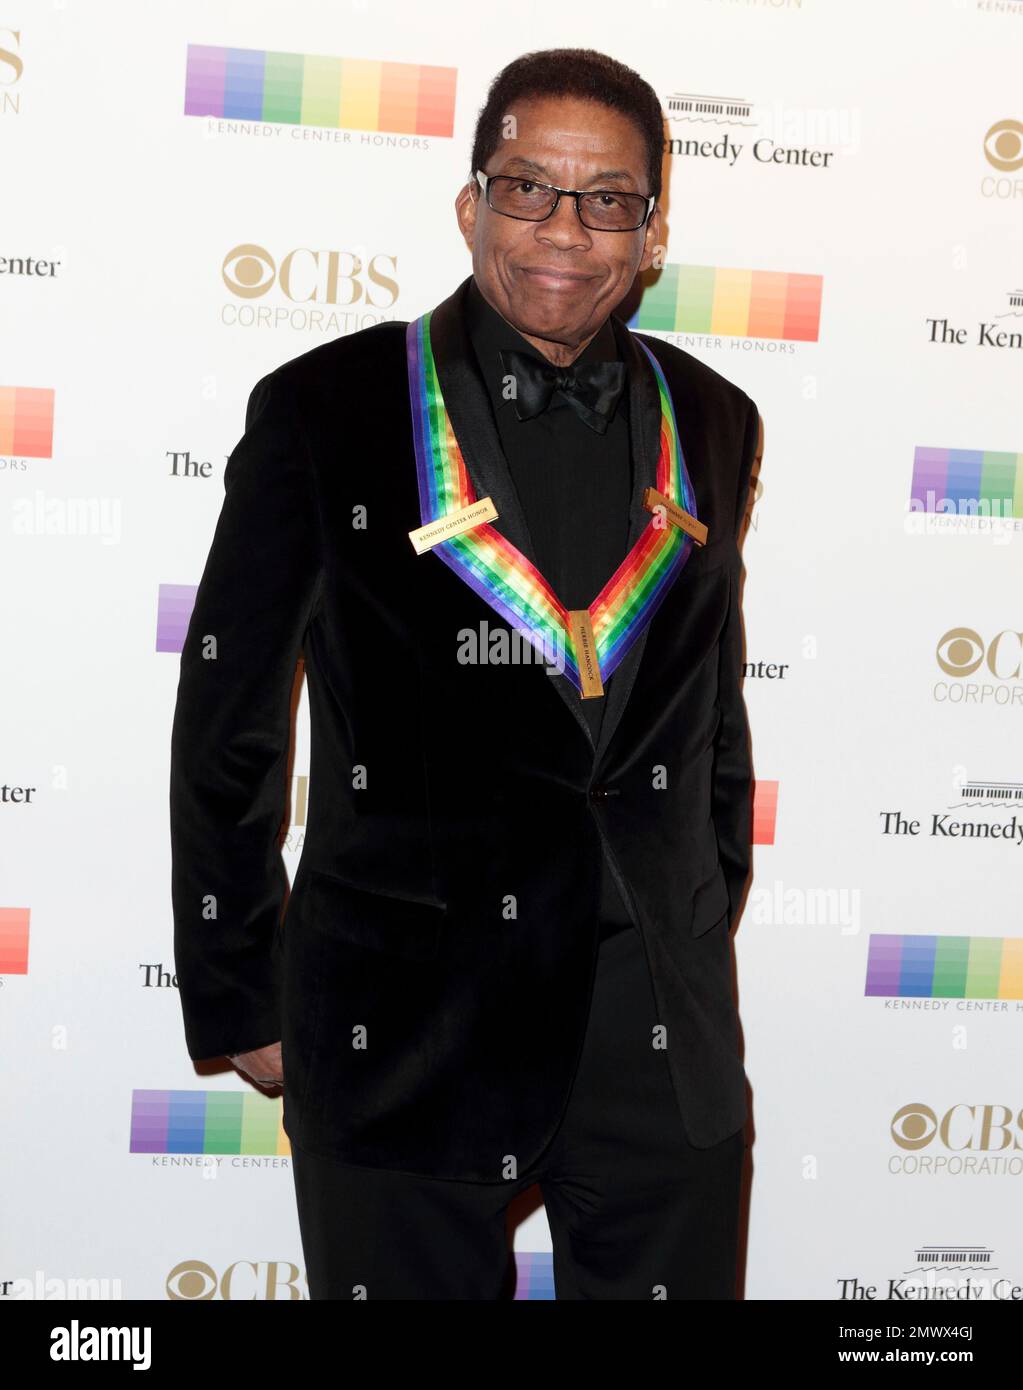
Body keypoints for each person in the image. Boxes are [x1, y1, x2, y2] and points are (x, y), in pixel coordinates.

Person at [170, 46, 764, 1300]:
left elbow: (710, 697)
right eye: (528, 188)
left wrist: (703, 910)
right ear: (470, 204)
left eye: (609, 198)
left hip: (653, 1033)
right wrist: (239, 989)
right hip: (404, 1031)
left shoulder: (715, 416)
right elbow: (226, 717)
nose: (566, 229)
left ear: (651, 233)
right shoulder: (325, 411)